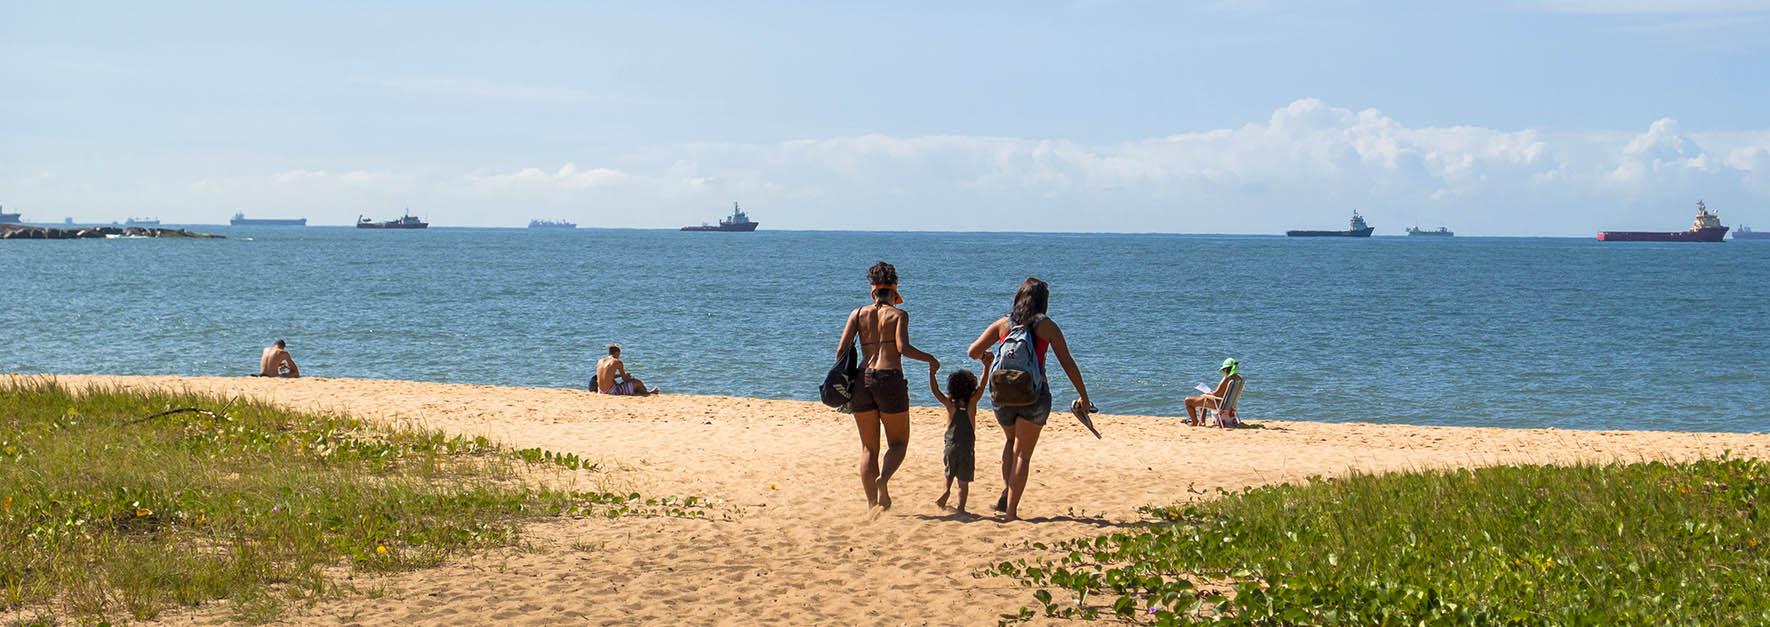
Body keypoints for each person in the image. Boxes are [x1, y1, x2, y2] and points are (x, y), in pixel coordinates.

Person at [966, 277, 1093, 521]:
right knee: (1022, 454)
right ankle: (1011, 513)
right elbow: (1067, 362)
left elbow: (972, 351)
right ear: (1043, 302)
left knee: (1010, 442)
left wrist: (987, 357)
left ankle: (1006, 491)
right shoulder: (1046, 326)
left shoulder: (1004, 323)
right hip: (1034, 395)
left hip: (1002, 396)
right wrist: (1084, 397)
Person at [836, 261, 938, 511]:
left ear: (873, 291)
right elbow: (903, 348)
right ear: (894, 291)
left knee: (869, 448)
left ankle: (872, 505)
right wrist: (931, 359)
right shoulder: (899, 315)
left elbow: (841, 351)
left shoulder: (857, 314)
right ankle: (884, 480)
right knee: (898, 444)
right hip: (889, 379)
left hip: (862, 380)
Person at [929, 356, 991, 513]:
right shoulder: (972, 403)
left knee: (949, 474)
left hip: (950, 446)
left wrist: (932, 373)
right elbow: (983, 385)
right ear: (971, 388)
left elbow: (936, 392)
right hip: (966, 448)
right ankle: (961, 508)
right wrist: (987, 366)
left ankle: (945, 491)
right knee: (963, 482)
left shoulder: (950, 405)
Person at [1185, 358, 1242, 426]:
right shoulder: (1238, 378)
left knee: (1188, 400)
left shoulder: (1227, 379)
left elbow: (1217, 394)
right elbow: (1221, 393)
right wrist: (1211, 393)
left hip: (1219, 404)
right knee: (1201, 399)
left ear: (1226, 369)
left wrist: (1208, 393)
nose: (1224, 371)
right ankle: (1202, 422)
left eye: (1224, 369)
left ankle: (1194, 422)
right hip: (1229, 404)